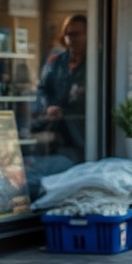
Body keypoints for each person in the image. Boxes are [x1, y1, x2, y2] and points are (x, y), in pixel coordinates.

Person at [34, 14, 87, 163]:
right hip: (56, 132)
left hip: (82, 133)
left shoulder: (97, 62)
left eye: (76, 34)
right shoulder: (58, 62)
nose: (71, 39)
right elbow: (43, 88)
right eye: (68, 35)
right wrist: (49, 106)